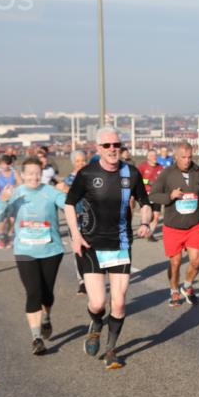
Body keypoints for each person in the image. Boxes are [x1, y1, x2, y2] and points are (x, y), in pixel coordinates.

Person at [64, 127, 153, 370]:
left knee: (120, 303)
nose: (113, 149)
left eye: (117, 145)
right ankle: (95, 324)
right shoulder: (87, 174)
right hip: (91, 244)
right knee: (97, 303)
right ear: (98, 148)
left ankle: (111, 350)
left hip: (121, 244)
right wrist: (75, 235)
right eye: (107, 146)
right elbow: (70, 204)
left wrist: (145, 221)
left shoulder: (131, 173)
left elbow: (145, 202)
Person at [0, 157, 68, 355]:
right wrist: (2, 200)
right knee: (33, 292)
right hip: (25, 251)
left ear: (41, 174)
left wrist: (67, 194)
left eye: (37, 173)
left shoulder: (50, 192)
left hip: (51, 250)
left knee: (47, 293)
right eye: (30, 173)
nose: (34, 177)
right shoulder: (14, 193)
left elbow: (68, 208)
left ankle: (47, 317)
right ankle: (36, 338)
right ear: (23, 174)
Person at [148, 141, 199, 306]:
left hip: (194, 225)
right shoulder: (167, 173)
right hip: (173, 226)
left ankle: (187, 286)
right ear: (176, 157)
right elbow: (153, 195)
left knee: (196, 261)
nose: (187, 160)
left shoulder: (197, 171)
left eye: (189, 157)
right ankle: (174, 290)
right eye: (183, 157)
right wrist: (170, 196)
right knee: (175, 262)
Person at [58, 149, 89, 295]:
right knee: (78, 251)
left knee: (90, 250)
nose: (81, 163)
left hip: (92, 220)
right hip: (75, 221)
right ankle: (82, 281)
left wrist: (67, 190)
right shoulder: (68, 180)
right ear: (73, 163)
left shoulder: (92, 176)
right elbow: (64, 202)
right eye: (77, 161)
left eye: (83, 160)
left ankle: (92, 278)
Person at [0, 155, 21, 249]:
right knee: (2, 219)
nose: (3, 166)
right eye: (1, 164)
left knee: (12, 219)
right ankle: (1, 237)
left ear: (10, 164)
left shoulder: (14, 172)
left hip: (12, 198)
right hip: (1, 199)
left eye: (5, 164)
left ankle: (9, 236)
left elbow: (20, 183)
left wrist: (14, 187)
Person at [136, 149, 163, 241]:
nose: (154, 157)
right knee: (148, 214)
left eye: (155, 155)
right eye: (152, 156)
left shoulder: (160, 167)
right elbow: (138, 179)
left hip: (157, 194)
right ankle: (144, 226)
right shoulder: (142, 166)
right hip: (145, 194)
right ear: (148, 157)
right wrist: (148, 182)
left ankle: (150, 234)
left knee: (156, 216)